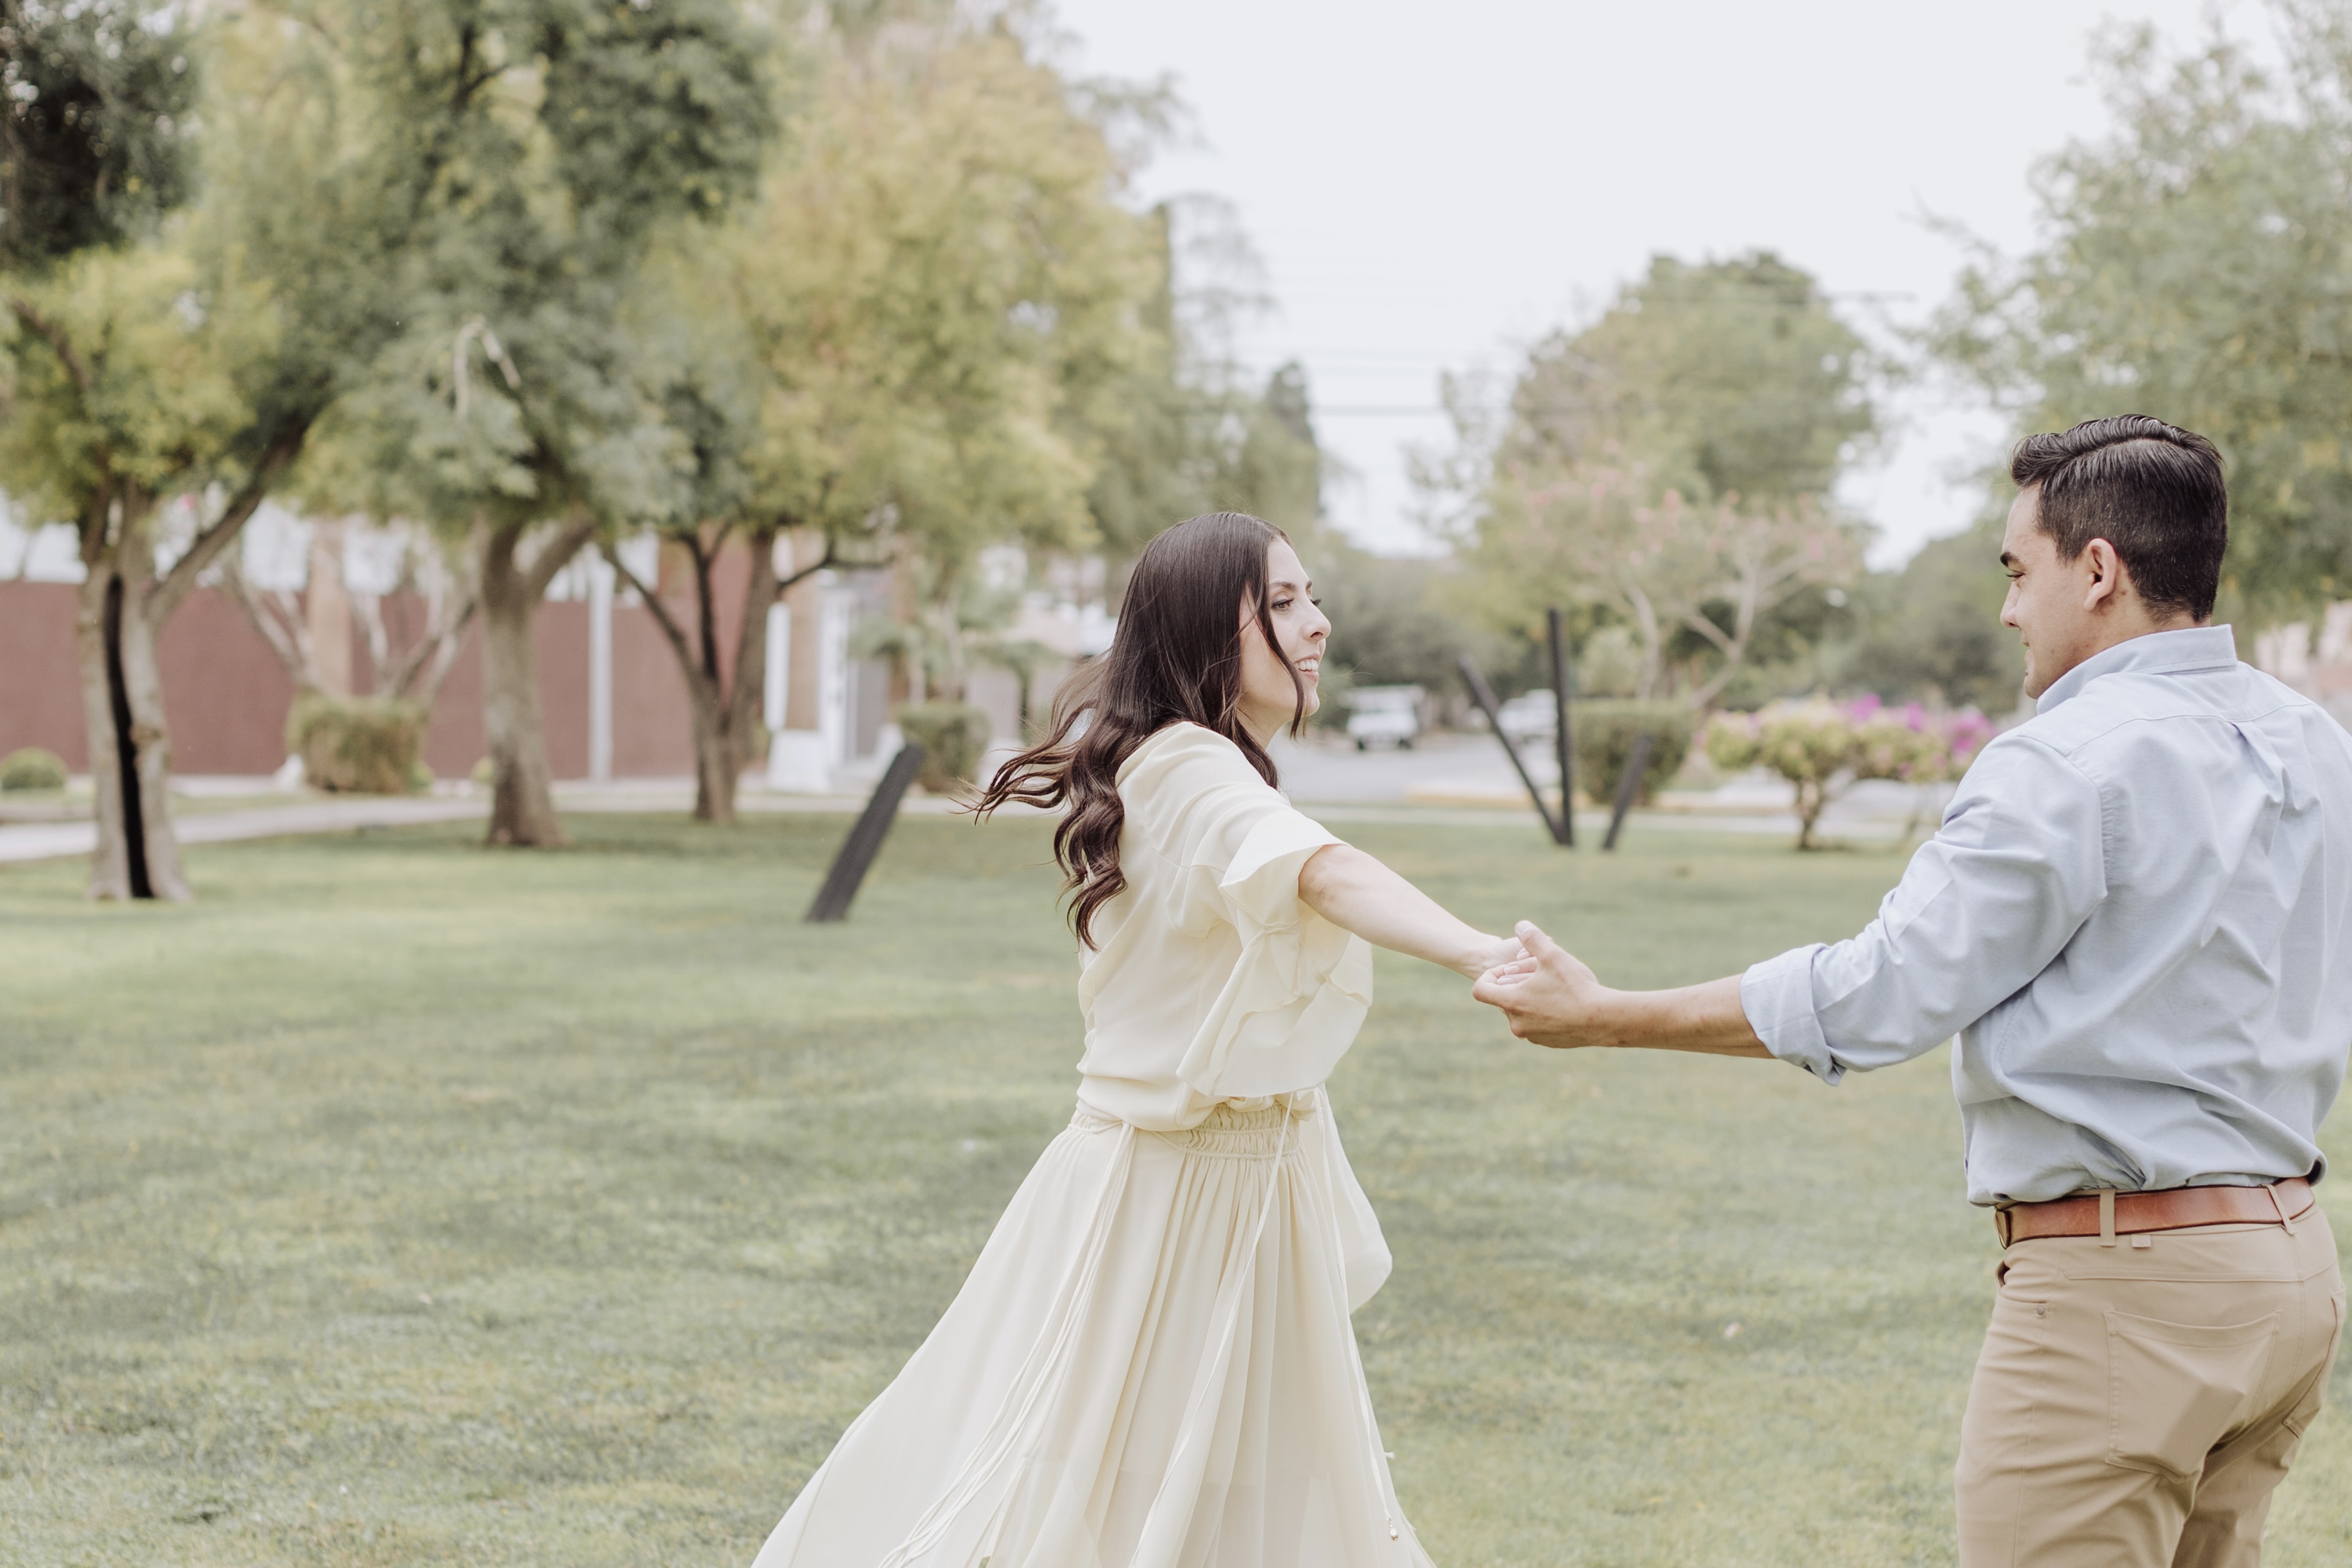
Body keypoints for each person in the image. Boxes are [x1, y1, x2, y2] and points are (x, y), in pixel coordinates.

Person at [1474, 416, 2352, 1567]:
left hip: (2127, 1294)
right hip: (2291, 1275)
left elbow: (1881, 993)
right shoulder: (2312, 740)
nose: (2008, 609)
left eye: (2018, 571)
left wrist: (1607, 1018)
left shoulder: (2065, 757)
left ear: (2098, 571)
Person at [751, 511, 1519, 1568]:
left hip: (1240, 1187)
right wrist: (1483, 952)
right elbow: (1323, 872)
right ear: (1204, 630)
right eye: (1282, 602)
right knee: (1099, 1492)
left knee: (1222, 1492)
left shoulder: (1205, 765)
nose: (1318, 624)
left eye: (1313, 597)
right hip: (1164, 1195)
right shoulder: (1187, 768)